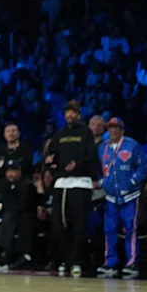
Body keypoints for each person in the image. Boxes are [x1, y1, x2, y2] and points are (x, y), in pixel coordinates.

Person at [44, 100, 100, 277]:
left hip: (81, 184)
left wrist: (77, 165)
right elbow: (51, 156)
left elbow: (91, 157)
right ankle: (67, 260)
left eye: (73, 112)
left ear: (79, 114)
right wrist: (49, 164)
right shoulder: (58, 134)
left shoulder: (86, 133)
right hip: (61, 184)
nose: (70, 115)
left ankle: (76, 261)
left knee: (79, 225)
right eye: (67, 112)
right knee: (59, 225)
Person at [97, 117, 147, 278]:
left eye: (116, 128)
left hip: (130, 196)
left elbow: (144, 167)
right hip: (111, 197)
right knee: (109, 229)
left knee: (131, 229)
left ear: (122, 130)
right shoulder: (103, 148)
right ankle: (110, 264)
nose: (112, 131)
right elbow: (98, 169)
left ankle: (132, 263)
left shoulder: (132, 145)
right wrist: (103, 182)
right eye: (110, 128)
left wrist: (132, 181)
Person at [0, 159, 37, 270]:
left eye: (13, 170)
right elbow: (3, 204)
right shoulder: (6, 186)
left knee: (10, 217)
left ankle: (4, 256)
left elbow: (20, 207)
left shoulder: (27, 185)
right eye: (8, 171)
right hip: (7, 216)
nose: (10, 173)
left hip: (23, 219)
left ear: (19, 171)